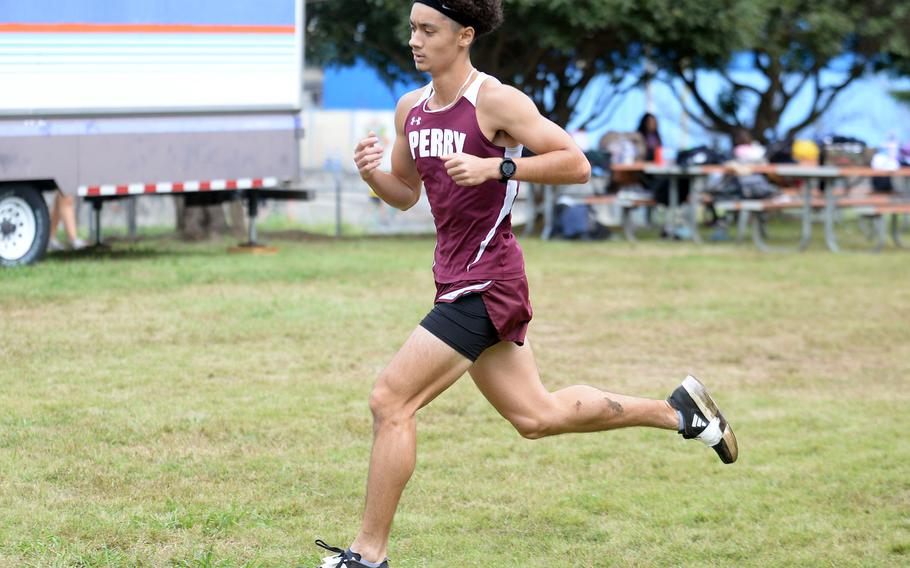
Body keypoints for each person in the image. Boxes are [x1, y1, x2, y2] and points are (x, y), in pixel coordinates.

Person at [316, 2, 739, 566]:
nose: (414, 40)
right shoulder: (410, 110)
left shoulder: (496, 101)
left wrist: (500, 167)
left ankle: (367, 556)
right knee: (537, 417)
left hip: (488, 284)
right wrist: (372, 175)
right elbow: (405, 192)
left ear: (464, 36)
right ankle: (679, 412)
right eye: (412, 28)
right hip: (454, 280)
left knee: (390, 400)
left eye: (427, 30)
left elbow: (577, 163)